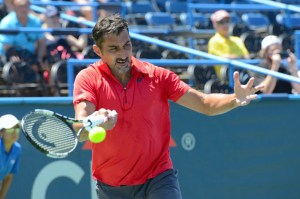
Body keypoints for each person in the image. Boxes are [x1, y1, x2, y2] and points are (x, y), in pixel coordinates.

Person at [72, 13, 263, 199]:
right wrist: (96, 123)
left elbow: (205, 104)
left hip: (158, 177)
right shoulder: (88, 78)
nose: (123, 54)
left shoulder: (159, 76)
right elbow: (80, 128)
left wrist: (235, 99)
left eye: (126, 45)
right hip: (111, 186)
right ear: (98, 51)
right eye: (114, 49)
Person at [0, 0, 46, 68]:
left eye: (26, 6)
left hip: (31, 57)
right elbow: (6, 46)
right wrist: (14, 58)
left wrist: (39, 59)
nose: (24, 9)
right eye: (20, 6)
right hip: (10, 57)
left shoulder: (36, 21)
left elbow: (42, 43)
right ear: (14, 7)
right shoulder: (7, 23)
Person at [208, 10, 250, 81]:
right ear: (214, 24)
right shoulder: (213, 41)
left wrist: (233, 57)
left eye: (227, 21)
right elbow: (222, 58)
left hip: (242, 73)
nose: (225, 24)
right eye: (221, 22)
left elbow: (247, 57)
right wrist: (239, 57)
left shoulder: (237, 40)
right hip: (227, 76)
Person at [0, 114, 21, 199]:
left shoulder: (17, 149)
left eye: (16, 129)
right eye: (10, 130)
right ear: (1, 132)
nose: (14, 132)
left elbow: (8, 176)